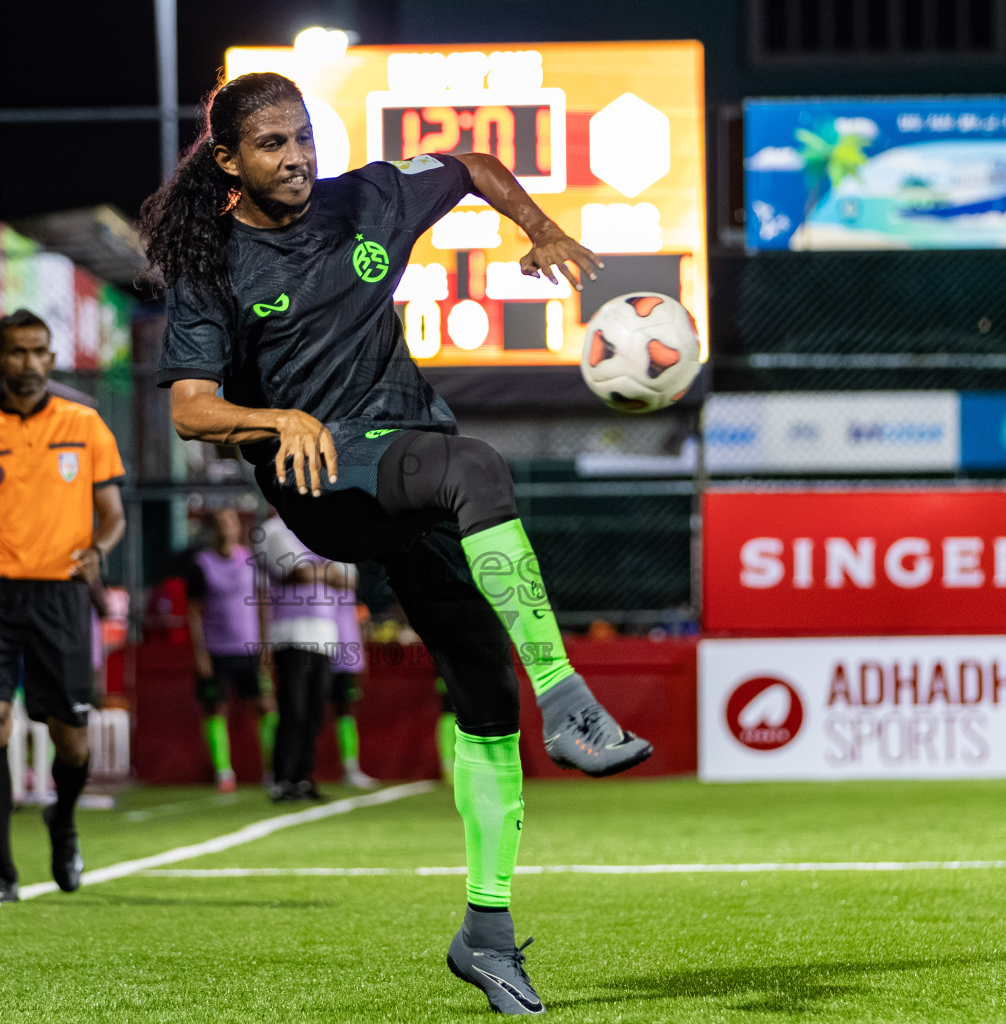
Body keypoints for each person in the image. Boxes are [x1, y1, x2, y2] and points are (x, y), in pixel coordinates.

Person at [140, 71, 651, 1014]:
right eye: (271, 145)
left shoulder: (367, 199)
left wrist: (537, 229)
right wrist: (270, 418)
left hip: (407, 465)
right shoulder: (214, 265)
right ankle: (571, 697)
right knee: (481, 470)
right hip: (325, 485)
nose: (295, 157)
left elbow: (473, 164)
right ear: (228, 161)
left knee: (485, 696)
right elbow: (190, 411)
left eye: (302, 137)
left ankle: (486, 936)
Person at [0, 308, 127, 903]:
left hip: (61, 595)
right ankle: (2, 872)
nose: (29, 363)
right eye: (17, 352)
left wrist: (98, 548)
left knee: (74, 743)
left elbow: (112, 516)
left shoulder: (86, 425)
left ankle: (61, 821)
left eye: (39, 351)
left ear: (52, 358)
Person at [256, 511, 351, 802]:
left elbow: (348, 578)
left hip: (325, 636)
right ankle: (283, 778)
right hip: (291, 634)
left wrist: (314, 570)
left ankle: (303, 777)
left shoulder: (322, 525)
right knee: (293, 710)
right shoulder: (272, 530)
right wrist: (325, 570)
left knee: (314, 713)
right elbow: (296, 572)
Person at [183, 507, 276, 793]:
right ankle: (224, 772)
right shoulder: (201, 564)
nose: (226, 527)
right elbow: (194, 612)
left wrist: (265, 649)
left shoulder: (251, 562)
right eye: (221, 522)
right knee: (215, 708)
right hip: (217, 651)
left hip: (249, 649)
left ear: (239, 527)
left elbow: (262, 607)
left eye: (230, 522)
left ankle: (272, 770)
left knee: (265, 706)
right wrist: (201, 655)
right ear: (213, 529)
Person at [329, 594, 377, 790]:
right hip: (320, 652)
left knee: (346, 711)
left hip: (346, 660)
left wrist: (359, 658)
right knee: (306, 711)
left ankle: (350, 768)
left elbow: (360, 626)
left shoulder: (353, 601)